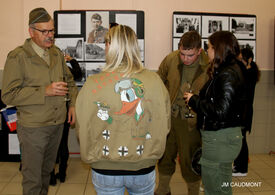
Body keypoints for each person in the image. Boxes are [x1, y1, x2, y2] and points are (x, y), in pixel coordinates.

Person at [76, 25, 171, 195]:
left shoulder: (92, 84)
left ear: (110, 46)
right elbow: (165, 123)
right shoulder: (154, 81)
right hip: (143, 165)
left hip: (105, 168)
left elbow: (83, 126)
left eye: (106, 44)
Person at [1, 7, 78, 195]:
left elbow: (69, 81)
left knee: (46, 174)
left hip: (57, 124)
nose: (50, 35)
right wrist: (44, 91)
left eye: (52, 30)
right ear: (31, 32)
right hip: (33, 128)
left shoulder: (56, 54)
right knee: (33, 179)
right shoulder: (18, 56)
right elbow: (8, 95)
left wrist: (73, 104)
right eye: (45, 31)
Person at [184, 31, 247, 195]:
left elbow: (220, 111)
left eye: (210, 47)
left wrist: (194, 101)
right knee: (223, 187)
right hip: (223, 137)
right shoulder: (230, 69)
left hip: (219, 139)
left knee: (213, 188)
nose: (207, 50)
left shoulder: (227, 74)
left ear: (219, 49)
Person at [155, 31, 209, 195]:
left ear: (199, 51)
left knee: (190, 158)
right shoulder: (171, 59)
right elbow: (159, 79)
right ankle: (163, 188)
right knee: (165, 154)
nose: (185, 59)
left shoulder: (209, 66)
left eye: (190, 55)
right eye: (182, 54)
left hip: (191, 121)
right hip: (170, 117)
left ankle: (193, 191)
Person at [50, 54, 82, 185]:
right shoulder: (66, 70)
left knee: (51, 147)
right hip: (64, 110)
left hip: (50, 112)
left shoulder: (50, 70)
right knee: (63, 144)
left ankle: (51, 176)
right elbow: (78, 74)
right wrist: (71, 60)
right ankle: (62, 174)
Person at [233, 47, 260, 177]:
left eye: (241, 60)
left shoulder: (250, 74)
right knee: (240, 139)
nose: (240, 64)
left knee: (241, 140)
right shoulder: (249, 72)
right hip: (243, 110)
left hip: (245, 111)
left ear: (249, 60)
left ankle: (242, 168)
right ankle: (239, 165)